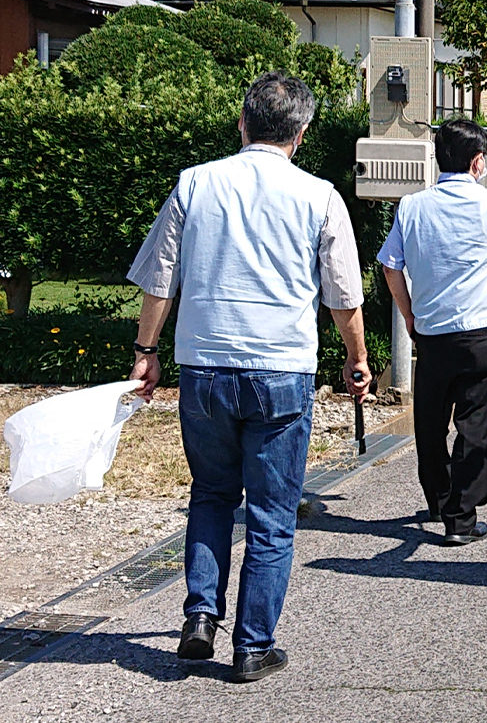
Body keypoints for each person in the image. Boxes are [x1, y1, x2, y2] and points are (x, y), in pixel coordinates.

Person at [127, 72, 371, 683]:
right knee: (270, 512)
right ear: (303, 133)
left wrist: (146, 350)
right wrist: (356, 357)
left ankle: (201, 616)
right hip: (282, 368)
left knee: (210, 494)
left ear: (242, 123)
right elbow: (343, 296)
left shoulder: (194, 183)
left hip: (205, 364)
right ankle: (252, 645)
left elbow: (161, 277)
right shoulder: (319, 195)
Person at [377, 119, 487, 546]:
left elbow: (390, 265)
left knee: (430, 422)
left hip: (431, 332)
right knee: (475, 424)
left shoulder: (411, 206)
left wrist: (409, 315)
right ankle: (461, 519)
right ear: (477, 161)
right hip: (482, 332)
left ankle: (438, 499)